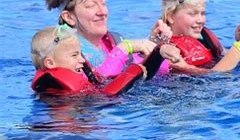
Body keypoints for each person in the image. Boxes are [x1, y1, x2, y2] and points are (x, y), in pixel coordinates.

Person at [46, 0, 177, 79]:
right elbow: (101, 83)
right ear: (69, 17)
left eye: (103, 4)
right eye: (91, 6)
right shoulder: (66, 52)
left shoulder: (113, 40)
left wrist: (155, 48)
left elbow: (159, 74)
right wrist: (125, 48)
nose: (102, 12)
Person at [158, 0, 240, 74]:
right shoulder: (166, 49)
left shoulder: (204, 37)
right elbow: (215, 76)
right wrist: (238, 49)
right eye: (193, 14)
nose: (200, 20)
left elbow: (224, 56)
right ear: (170, 16)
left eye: (202, 13)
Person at [30, 25, 160, 95]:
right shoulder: (54, 87)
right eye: (74, 55)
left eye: (81, 54)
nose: (82, 60)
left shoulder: (73, 82)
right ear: (50, 63)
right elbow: (107, 96)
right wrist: (135, 71)